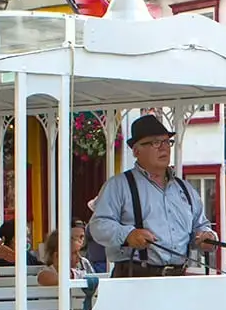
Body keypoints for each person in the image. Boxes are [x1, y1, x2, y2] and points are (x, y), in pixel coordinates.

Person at [88, 114, 217, 277]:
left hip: (178, 280)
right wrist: (128, 234)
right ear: (136, 151)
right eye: (155, 142)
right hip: (135, 277)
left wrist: (206, 236)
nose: (164, 148)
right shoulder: (119, 185)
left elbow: (200, 224)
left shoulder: (184, 188)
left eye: (166, 142)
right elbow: (98, 225)